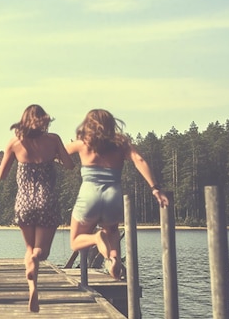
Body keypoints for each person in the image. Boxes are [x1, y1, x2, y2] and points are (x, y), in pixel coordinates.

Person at [66, 109, 169, 279]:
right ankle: (113, 260)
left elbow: (56, 153)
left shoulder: (82, 143)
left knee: (76, 241)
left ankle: (97, 239)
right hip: (113, 197)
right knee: (112, 232)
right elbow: (139, 160)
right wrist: (155, 188)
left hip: (89, 195)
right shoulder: (122, 144)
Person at [0, 104, 74, 312]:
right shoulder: (53, 140)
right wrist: (56, 156)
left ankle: (33, 287)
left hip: (24, 203)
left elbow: (1, 175)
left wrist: (10, 157)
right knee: (41, 251)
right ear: (44, 120)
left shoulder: (14, 142)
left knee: (29, 249)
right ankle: (34, 263)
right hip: (46, 201)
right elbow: (69, 165)